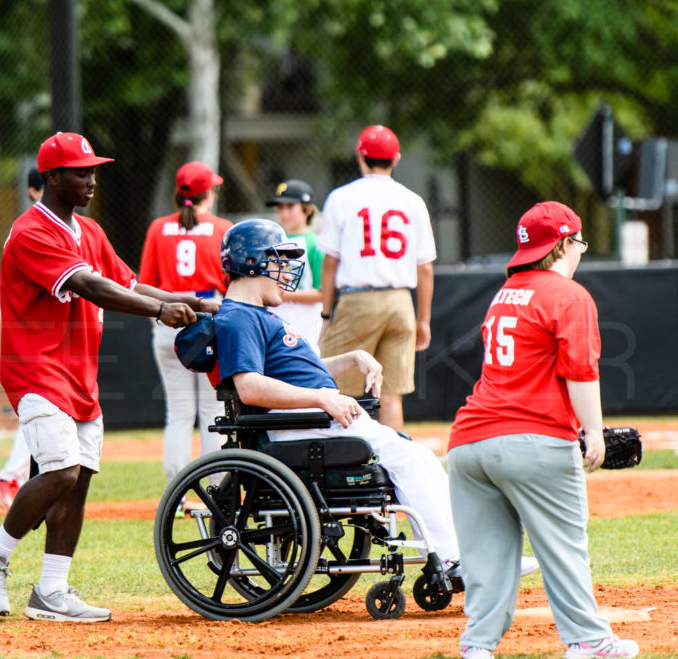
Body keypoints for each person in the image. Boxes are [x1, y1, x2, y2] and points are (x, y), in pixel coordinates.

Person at [0, 132, 209, 623]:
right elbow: (90, 285)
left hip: (79, 373)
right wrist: (161, 311)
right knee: (60, 469)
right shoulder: (32, 230)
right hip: (36, 369)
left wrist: (198, 302)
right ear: (52, 177)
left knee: (78, 483)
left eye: (94, 170)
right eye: (81, 171)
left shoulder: (89, 231)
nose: (93, 180)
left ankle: (51, 591)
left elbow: (128, 281)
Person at [212, 219, 537, 579]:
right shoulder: (239, 318)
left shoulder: (259, 315)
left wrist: (352, 357)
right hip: (304, 426)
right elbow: (251, 387)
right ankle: (453, 560)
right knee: (415, 461)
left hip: (316, 421)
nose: (286, 270)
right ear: (252, 262)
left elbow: (294, 372)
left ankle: (466, 556)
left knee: (419, 460)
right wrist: (322, 398)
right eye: (278, 260)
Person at [447, 202, 638, 659]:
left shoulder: (506, 290)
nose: (581, 252)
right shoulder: (568, 295)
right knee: (563, 547)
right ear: (565, 243)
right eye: (580, 243)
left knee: (487, 557)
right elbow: (580, 370)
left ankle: (477, 647)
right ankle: (589, 641)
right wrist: (593, 430)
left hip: (468, 442)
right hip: (532, 440)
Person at [318, 125, 436, 431]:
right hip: (400, 301)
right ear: (396, 158)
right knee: (391, 395)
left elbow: (330, 263)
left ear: (361, 156)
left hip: (359, 298)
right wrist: (423, 319)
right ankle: (394, 467)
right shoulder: (412, 200)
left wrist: (326, 313)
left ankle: (340, 464)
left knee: (333, 385)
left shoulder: (341, 197)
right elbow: (424, 268)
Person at [138, 161, 231, 498]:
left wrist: (158, 322)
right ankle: (216, 490)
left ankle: (175, 494)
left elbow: (143, 284)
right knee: (212, 410)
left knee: (178, 413)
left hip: (169, 320)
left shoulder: (158, 228)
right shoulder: (222, 227)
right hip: (209, 318)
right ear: (208, 192)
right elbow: (231, 284)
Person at [0, 166, 46, 508]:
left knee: (40, 413)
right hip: (34, 339)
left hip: (36, 336)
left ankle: (12, 477)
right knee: (40, 410)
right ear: (34, 191)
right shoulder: (30, 230)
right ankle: (10, 477)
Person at [265, 179, 324, 351]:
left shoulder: (316, 244)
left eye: (290, 207)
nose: (283, 212)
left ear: (307, 209)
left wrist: (282, 294)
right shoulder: (273, 241)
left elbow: (321, 293)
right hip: (275, 318)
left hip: (304, 321)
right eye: (280, 207)